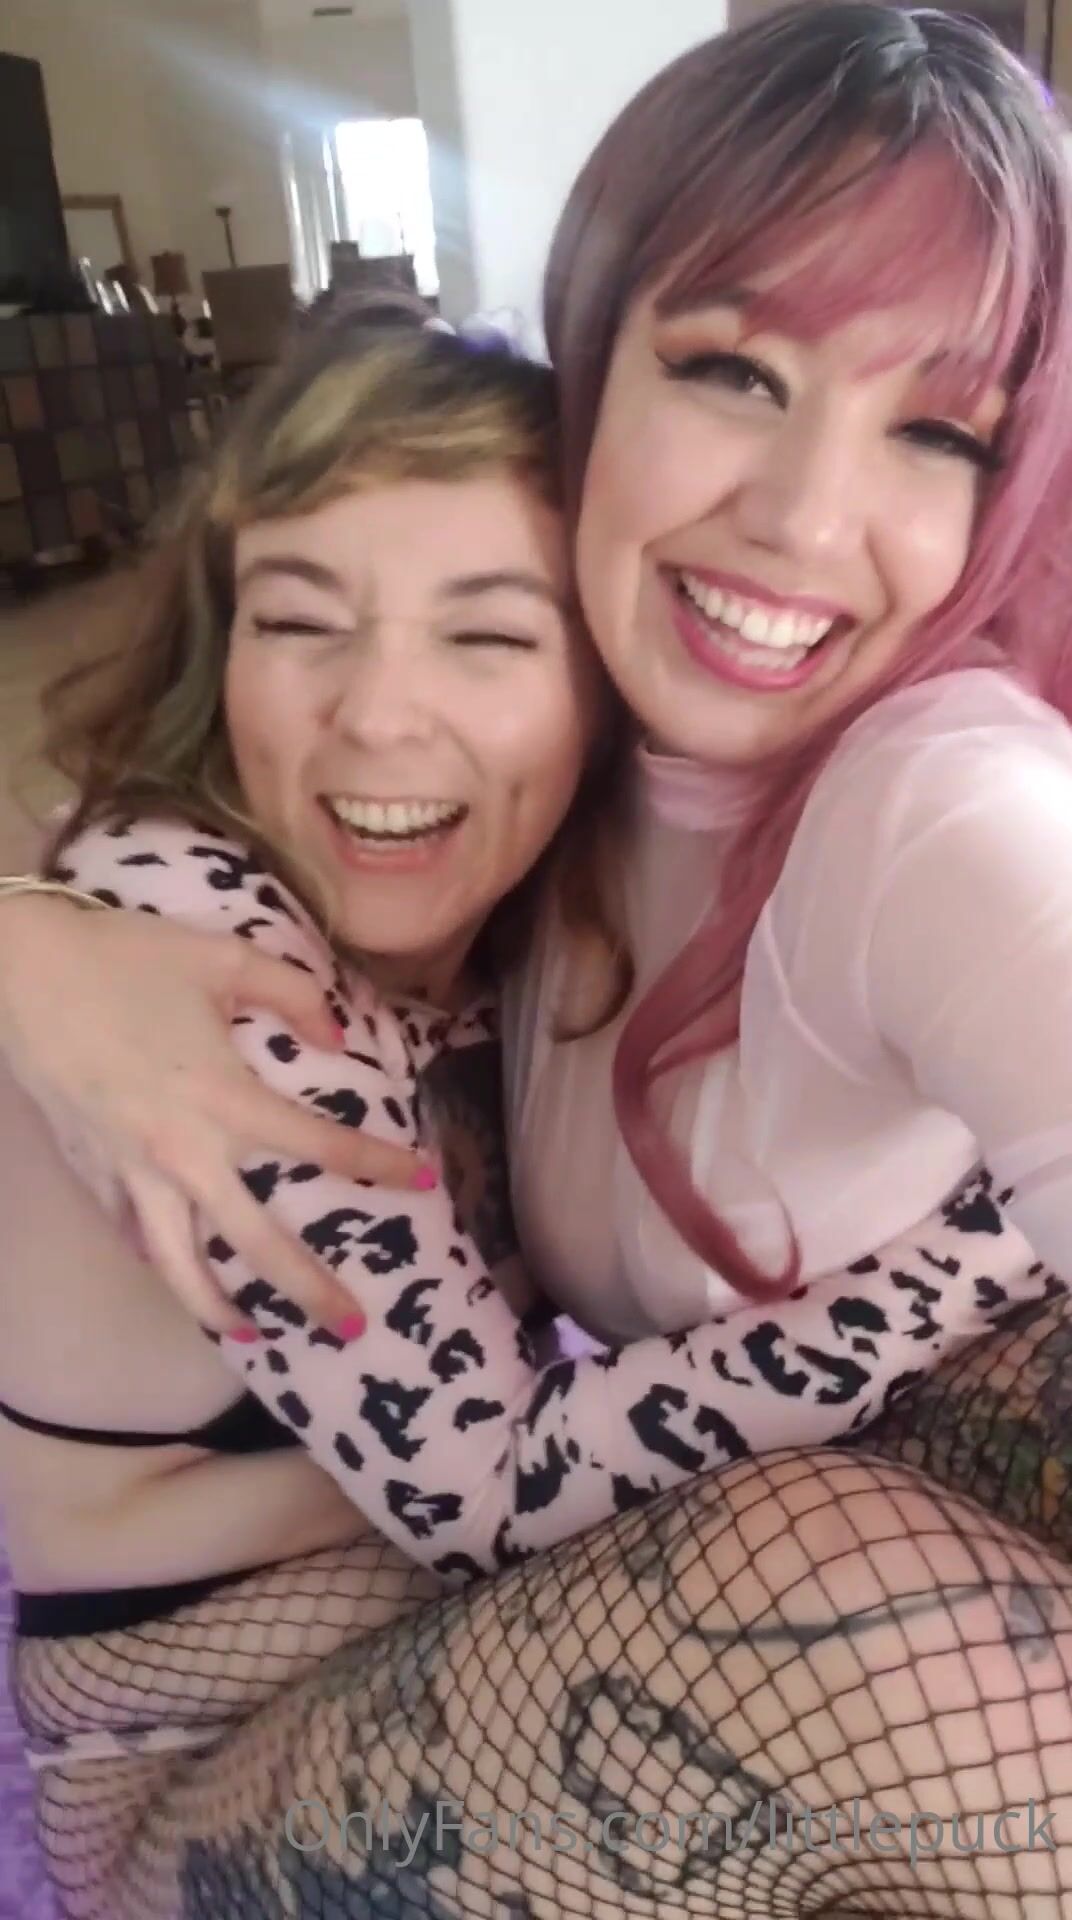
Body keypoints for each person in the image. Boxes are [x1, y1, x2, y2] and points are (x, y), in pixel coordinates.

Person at [2, 5, 1072, 1914]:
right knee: (872, 1616)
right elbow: (483, 1489)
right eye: (301, 622)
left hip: (446, 1640)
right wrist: (974, 1249)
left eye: (489, 637)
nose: (382, 719)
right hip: (193, 1771)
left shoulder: (569, 854)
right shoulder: (202, 947)